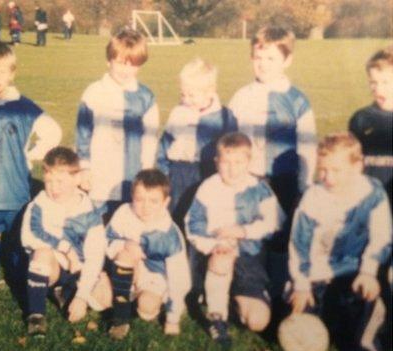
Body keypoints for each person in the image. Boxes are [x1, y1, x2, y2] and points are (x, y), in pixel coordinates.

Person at [228, 26, 318, 301]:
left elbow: (308, 146)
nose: (263, 65)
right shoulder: (242, 97)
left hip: (284, 180)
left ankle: (279, 291)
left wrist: (305, 186)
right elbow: (229, 140)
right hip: (249, 178)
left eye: (271, 59)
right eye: (258, 57)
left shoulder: (297, 100)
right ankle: (250, 288)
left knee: (281, 236)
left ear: (287, 61)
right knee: (250, 232)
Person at [288, 132, 392, 351]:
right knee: (302, 326)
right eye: (322, 169)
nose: (328, 177)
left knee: (365, 308)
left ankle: (365, 340)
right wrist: (302, 284)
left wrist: (368, 271)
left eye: (336, 170)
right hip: (318, 274)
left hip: (354, 271)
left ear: (357, 166)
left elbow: (381, 236)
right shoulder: (313, 198)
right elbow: (299, 246)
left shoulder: (372, 193)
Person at [185, 132, 284, 347]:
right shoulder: (208, 188)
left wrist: (244, 231)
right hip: (215, 256)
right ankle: (217, 316)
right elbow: (192, 225)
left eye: (238, 162)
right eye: (226, 162)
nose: (232, 168)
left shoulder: (258, 189)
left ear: (249, 161)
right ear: (216, 162)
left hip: (249, 258)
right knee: (221, 261)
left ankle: (231, 299)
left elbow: (276, 223)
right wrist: (214, 245)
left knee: (257, 321)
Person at [0, 40, 62, 298]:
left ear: (12, 73)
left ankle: (19, 277)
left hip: (16, 188)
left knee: (17, 237)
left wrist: (32, 154)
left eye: (2, 71)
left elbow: (53, 132)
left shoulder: (24, 107)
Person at [21, 146, 110, 336]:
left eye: (60, 181)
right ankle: (36, 315)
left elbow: (95, 256)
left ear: (77, 179)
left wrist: (82, 297)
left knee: (103, 301)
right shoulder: (39, 205)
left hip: (80, 268)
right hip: (53, 265)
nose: (54, 188)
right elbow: (28, 237)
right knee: (41, 254)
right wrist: (64, 248)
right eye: (49, 181)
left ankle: (67, 291)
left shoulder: (89, 212)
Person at [75, 29, 160, 222]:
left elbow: (150, 139)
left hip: (131, 179)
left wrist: (146, 172)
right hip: (99, 179)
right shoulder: (94, 92)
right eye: (121, 63)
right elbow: (82, 133)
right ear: (109, 61)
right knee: (95, 232)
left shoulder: (145, 97)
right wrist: (84, 167)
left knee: (126, 231)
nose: (125, 70)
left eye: (132, 65)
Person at [105, 169, 190, 339]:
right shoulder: (124, 212)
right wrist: (124, 244)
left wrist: (173, 317)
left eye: (153, 201)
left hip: (154, 278)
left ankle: (150, 299)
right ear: (132, 197)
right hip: (128, 267)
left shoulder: (169, 234)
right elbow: (106, 240)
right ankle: (121, 318)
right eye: (139, 199)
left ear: (166, 202)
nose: (145, 206)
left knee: (146, 310)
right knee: (102, 298)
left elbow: (179, 277)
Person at [348, 45, 393, 351]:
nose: (379, 89)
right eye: (374, 82)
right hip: (374, 212)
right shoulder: (362, 119)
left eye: (387, 82)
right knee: (372, 269)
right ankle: (367, 333)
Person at [156, 57, 238, 224]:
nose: (186, 99)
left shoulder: (223, 117)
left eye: (192, 95)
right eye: (183, 94)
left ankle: (202, 249)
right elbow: (164, 145)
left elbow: (233, 149)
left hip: (208, 172)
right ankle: (179, 248)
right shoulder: (178, 113)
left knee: (205, 217)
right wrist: (162, 173)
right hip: (179, 173)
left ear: (210, 91)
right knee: (176, 215)